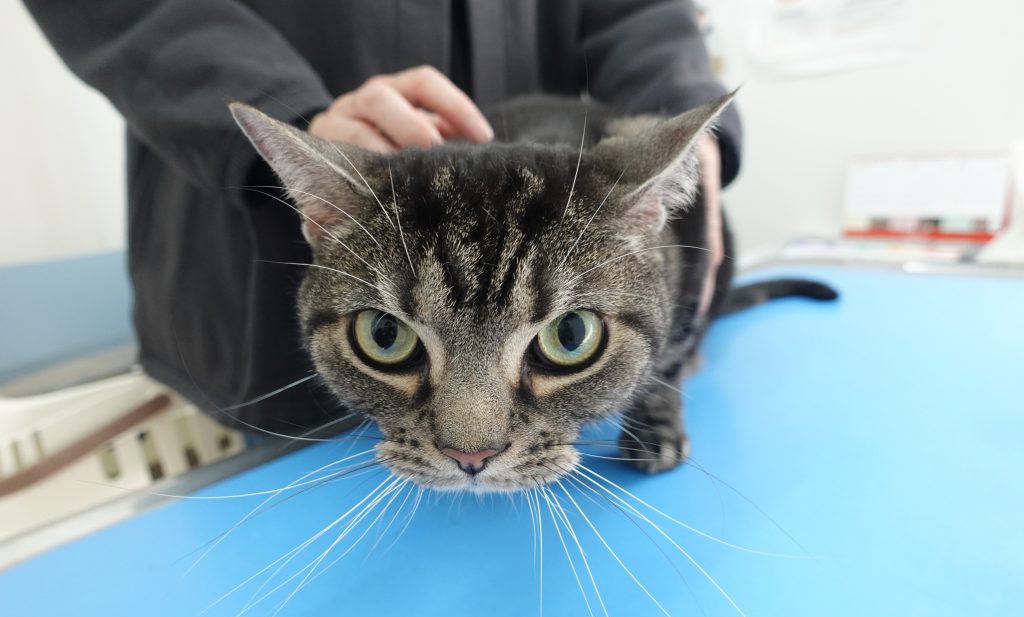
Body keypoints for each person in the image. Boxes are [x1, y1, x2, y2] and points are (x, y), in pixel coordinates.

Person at [25, 0, 741, 434]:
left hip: (574, 187)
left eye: (566, 339)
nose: (471, 441)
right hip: (270, 224)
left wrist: (674, 107)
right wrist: (280, 106)